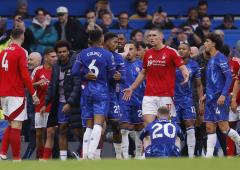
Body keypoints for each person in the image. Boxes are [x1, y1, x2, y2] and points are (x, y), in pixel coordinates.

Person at [123, 28, 189, 148]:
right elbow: (143, 73)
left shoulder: (171, 52)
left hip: (166, 97)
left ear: (160, 37)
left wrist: (186, 74)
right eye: (149, 36)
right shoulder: (148, 53)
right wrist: (132, 88)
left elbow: (182, 66)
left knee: (169, 127)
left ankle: (175, 151)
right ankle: (148, 154)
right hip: (149, 96)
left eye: (154, 35)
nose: (151, 38)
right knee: (148, 127)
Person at [72, 29, 116, 160]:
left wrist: (85, 75)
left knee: (88, 125)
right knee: (98, 124)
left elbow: (74, 71)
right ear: (102, 39)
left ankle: (85, 155)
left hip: (87, 91)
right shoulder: (107, 54)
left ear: (90, 39)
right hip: (101, 91)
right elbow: (111, 75)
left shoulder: (82, 54)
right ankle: (91, 154)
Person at [0, 28, 39, 160]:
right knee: (17, 125)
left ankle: (2, 153)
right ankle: (17, 159)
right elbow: (24, 75)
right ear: (22, 37)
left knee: (11, 125)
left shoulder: (3, 52)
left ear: (11, 37)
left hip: (3, 94)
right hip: (15, 93)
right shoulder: (21, 51)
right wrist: (33, 93)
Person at [41, 40, 81, 160]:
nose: (62, 54)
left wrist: (69, 103)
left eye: (64, 51)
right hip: (60, 103)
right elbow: (52, 86)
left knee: (78, 132)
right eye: (59, 52)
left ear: (68, 52)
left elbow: (77, 86)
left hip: (75, 104)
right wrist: (45, 103)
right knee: (62, 130)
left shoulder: (75, 64)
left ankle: (84, 153)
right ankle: (63, 159)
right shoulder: (56, 66)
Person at [203, 32, 240, 158]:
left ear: (213, 43)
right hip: (210, 98)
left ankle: (239, 142)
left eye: (207, 41)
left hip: (220, 98)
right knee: (209, 127)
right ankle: (208, 157)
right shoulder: (211, 60)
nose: (205, 44)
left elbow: (229, 77)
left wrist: (224, 95)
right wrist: (205, 94)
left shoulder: (221, 58)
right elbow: (212, 80)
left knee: (224, 127)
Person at [173, 43, 204, 158]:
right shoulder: (172, 64)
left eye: (183, 49)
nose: (181, 50)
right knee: (174, 129)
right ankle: (175, 156)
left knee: (190, 128)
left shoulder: (194, 65)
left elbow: (199, 85)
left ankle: (191, 157)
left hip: (187, 100)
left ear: (189, 51)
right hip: (173, 100)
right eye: (179, 49)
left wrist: (201, 102)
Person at [119, 42, 145, 159]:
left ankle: (138, 155)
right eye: (125, 49)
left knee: (139, 128)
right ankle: (125, 156)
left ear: (136, 51)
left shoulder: (141, 65)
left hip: (138, 100)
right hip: (123, 100)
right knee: (124, 129)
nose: (128, 52)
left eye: (131, 49)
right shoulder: (119, 64)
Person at [31, 48, 57, 159]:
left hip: (52, 107)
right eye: (52, 57)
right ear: (46, 57)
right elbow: (29, 86)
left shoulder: (57, 70)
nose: (55, 59)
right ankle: (40, 157)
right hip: (39, 106)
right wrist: (38, 83)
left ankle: (47, 158)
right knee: (39, 134)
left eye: (55, 56)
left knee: (50, 133)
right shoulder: (38, 70)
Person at [104, 32, 126, 159]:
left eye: (118, 42)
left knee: (117, 125)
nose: (118, 45)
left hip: (113, 95)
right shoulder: (100, 55)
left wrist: (119, 77)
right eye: (115, 42)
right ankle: (94, 156)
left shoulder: (118, 58)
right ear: (106, 42)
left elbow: (123, 78)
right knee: (98, 125)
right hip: (98, 94)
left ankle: (118, 156)